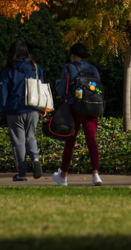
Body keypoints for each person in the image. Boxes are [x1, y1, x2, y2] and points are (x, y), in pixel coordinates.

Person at [52, 42, 103, 187]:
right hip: (92, 109)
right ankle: (95, 174)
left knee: (70, 141)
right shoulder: (93, 69)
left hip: (74, 107)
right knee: (91, 141)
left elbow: (62, 90)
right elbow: (98, 89)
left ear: (74, 55)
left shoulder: (69, 67)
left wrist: (57, 84)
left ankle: (63, 176)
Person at [0, 40, 45, 181]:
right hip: (33, 108)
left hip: (15, 109)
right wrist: (41, 107)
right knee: (31, 136)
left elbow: (2, 91)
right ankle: (35, 159)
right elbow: (40, 88)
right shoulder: (35, 68)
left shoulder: (9, 69)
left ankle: (22, 173)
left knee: (18, 141)